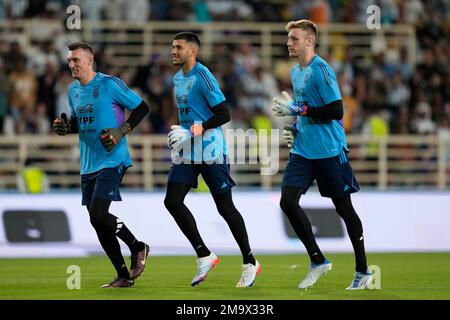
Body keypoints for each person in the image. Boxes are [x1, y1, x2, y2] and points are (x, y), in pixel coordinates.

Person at [272, 20, 372, 290]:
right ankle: (318, 260)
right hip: (303, 151)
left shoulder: (322, 70)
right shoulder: (296, 72)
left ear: (309, 42)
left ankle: (363, 270)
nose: (289, 43)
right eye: (289, 39)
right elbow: (304, 108)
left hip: (329, 151)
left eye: (294, 39)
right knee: (288, 202)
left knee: (344, 209)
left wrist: (299, 112)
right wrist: (295, 127)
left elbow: (336, 110)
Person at [164, 32, 261, 288]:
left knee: (225, 207)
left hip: (210, 150)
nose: (173, 51)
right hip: (188, 150)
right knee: (172, 201)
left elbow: (223, 113)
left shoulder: (203, 75)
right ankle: (204, 255)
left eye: (178, 47)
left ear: (192, 52)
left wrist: (201, 127)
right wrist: (183, 131)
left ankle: (250, 261)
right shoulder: (177, 78)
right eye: (172, 47)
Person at [53, 42, 150, 288]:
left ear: (90, 60)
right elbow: (79, 123)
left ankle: (138, 246)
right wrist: (67, 128)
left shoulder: (109, 84)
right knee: (97, 220)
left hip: (113, 158)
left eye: (76, 60)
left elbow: (142, 107)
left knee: (98, 213)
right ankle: (123, 276)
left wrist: (121, 131)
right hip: (88, 163)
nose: (71, 64)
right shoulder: (72, 90)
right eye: (69, 60)